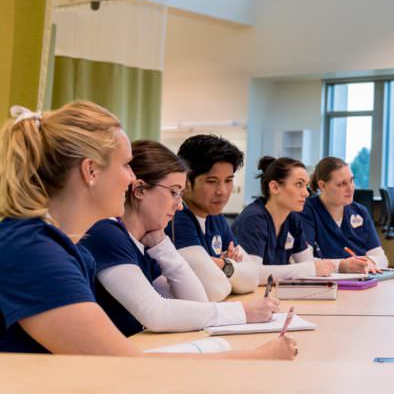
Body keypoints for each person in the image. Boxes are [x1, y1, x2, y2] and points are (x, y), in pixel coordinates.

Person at [0, 101, 295, 359]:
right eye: (126, 165)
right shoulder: (32, 250)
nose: (130, 178)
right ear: (90, 171)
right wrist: (256, 358)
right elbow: (125, 366)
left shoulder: (56, 244)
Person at [79, 140, 278, 337]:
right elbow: (155, 313)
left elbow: (197, 302)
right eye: (173, 192)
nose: (180, 205)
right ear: (139, 190)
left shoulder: (148, 242)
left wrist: (162, 246)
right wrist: (242, 312)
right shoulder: (106, 233)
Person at [166, 134, 257, 300]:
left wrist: (222, 264)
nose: (222, 191)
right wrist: (233, 269)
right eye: (211, 181)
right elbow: (214, 289)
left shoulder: (215, 216)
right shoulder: (176, 218)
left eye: (228, 180)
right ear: (186, 180)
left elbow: (253, 277)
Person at [232, 156, 341, 282]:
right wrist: (307, 269)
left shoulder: (293, 219)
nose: (306, 193)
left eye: (306, 186)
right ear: (274, 187)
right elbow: (253, 274)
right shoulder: (253, 219)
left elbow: (308, 262)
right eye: (299, 184)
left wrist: (339, 265)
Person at [296, 157, 384, 273]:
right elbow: (304, 262)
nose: (350, 188)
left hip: (361, 281)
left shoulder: (360, 212)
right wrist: (341, 266)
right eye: (342, 184)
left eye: (351, 180)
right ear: (322, 186)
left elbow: (382, 259)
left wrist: (368, 262)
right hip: (325, 284)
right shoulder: (306, 212)